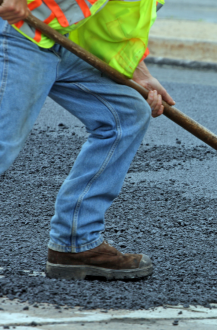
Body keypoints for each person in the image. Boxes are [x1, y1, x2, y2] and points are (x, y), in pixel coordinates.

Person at [0, 0, 174, 280]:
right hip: (17, 33)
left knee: (127, 114)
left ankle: (75, 244)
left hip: (60, 43)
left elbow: (114, 20)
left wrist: (139, 73)